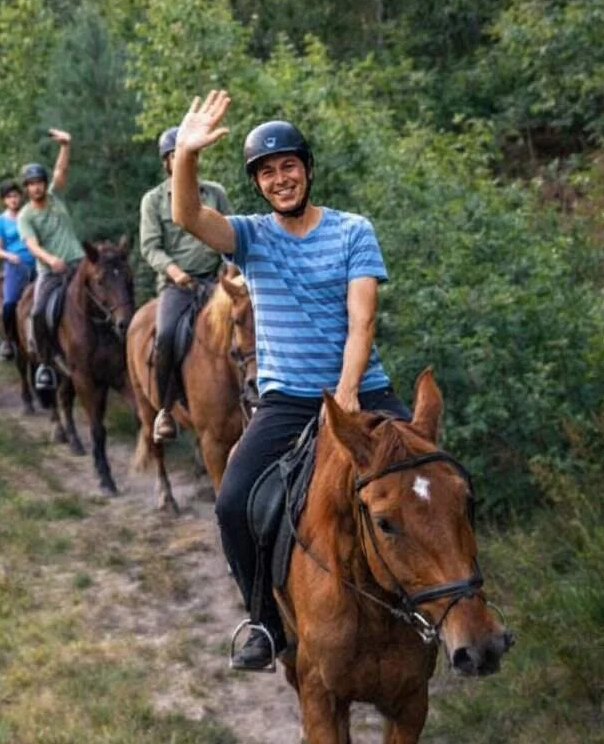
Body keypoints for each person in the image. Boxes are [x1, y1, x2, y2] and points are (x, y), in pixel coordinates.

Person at [171, 89, 410, 671]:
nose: (280, 179)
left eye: (289, 166)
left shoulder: (354, 231)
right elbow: (187, 216)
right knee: (232, 502)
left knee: (435, 480)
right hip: (288, 401)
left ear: (307, 170)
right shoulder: (251, 236)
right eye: (268, 172)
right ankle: (266, 622)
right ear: (258, 184)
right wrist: (186, 155)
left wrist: (348, 391)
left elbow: (363, 319)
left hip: (361, 391)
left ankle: (457, 608)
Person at [140, 124, 231, 442]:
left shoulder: (215, 193)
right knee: (165, 336)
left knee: (250, 327)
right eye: (174, 155)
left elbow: (231, 236)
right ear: (166, 162)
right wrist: (174, 272)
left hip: (218, 283)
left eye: (186, 153)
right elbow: (150, 247)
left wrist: (230, 273)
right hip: (178, 284)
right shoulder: (153, 200)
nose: (180, 159)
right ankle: (165, 409)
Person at [15, 129, 80, 392]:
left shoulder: (56, 198)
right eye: (31, 184)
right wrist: (51, 260)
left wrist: (65, 145)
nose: (36, 187)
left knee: (109, 297)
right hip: (51, 272)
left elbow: (61, 172)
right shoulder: (25, 216)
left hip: (78, 263)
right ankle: (44, 365)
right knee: (40, 312)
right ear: (26, 189)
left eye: (39, 182)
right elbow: (32, 246)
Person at [0, 179, 35, 360]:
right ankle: (7, 339)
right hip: (14, 265)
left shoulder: (30, 214)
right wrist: (9, 256)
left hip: (36, 262)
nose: (13, 200)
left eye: (16, 196)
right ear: (4, 200)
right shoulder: (0, 221)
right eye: (9, 197)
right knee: (9, 304)